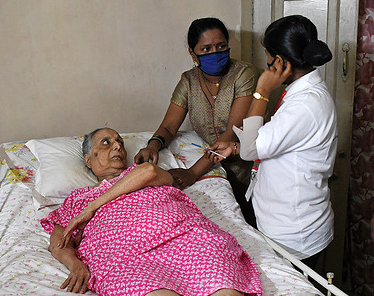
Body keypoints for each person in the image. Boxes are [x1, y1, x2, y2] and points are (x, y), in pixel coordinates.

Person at [41, 128, 262, 295]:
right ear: (89, 159)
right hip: (126, 256)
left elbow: (147, 171)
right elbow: (59, 241)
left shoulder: (141, 172)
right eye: (106, 143)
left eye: (119, 142)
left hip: (186, 239)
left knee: (224, 287)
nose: (117, 146)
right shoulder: (78, 198)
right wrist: (75, 264)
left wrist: (92, 208)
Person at [207, 15, 337, 269]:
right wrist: (234, 147)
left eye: (268, 56)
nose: (266, 64)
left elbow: (251, 148)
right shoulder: (303, 95)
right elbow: (279, 143)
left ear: (280, 61)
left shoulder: (305, 104)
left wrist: (262, 90)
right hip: (285, 221)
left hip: (294, 233)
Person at [134, 17, 258, 227]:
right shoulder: (188, 81)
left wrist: (192, 172)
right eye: (206, 48)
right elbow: (168, 126)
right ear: (193, 52)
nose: (215, 53)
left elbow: (231, 134)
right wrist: (153, 145)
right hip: (214, 168)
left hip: (245, 169)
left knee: (254, 226)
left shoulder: (243, 74)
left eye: (221, 46)